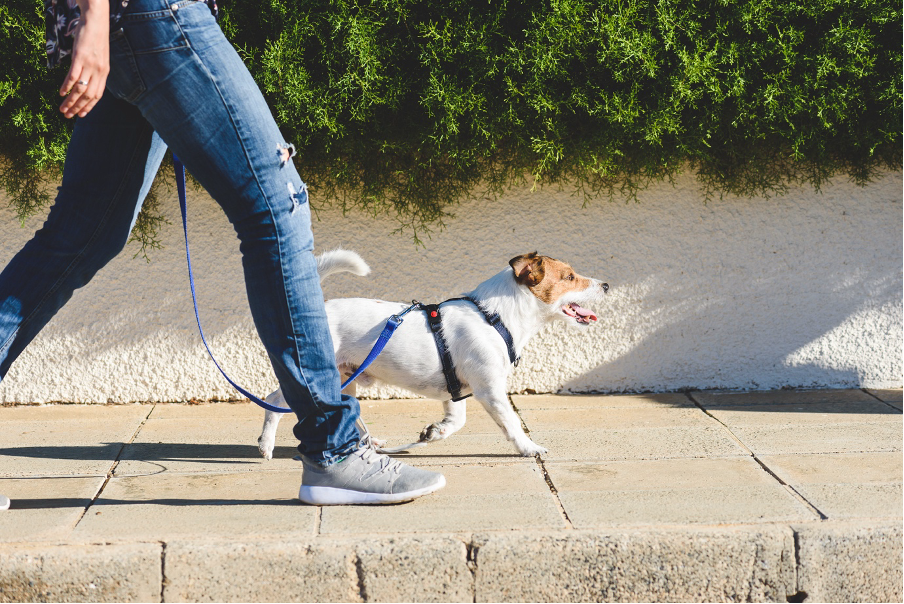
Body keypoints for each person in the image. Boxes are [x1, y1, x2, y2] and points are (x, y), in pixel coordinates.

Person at [0, 0, 445, 507]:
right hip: (153, 14)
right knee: (278, 210)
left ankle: (334, 448)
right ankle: (335, 450)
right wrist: (97, 17)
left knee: (81, 236)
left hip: (132, 24)